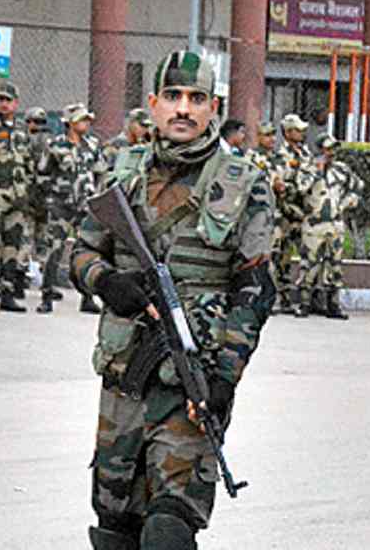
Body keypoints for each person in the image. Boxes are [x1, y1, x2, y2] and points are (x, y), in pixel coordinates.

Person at [71, 50, 275, 550]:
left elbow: (255, 290)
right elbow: (80, 252)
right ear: (153, 103)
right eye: (173, 97)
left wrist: (224, 377)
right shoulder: (123, 171)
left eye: (197, 98)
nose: (184, 108)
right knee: (114, 526)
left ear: (214, 107)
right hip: (124, 379)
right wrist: (105, 282)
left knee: (169, 526)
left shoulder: (243, 183)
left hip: (192, 381)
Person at [37, 104, 102, 314]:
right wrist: (51, 199)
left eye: (87, 119)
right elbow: (43, 174)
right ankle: (46, 296)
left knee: (87, 251)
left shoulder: (92, 145)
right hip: (61, 206)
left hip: (86, 206)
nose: (87, 123)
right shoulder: (56, 145)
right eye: (82, 119)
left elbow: (100, 171)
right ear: (70, 123)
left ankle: (87, 297)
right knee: (54, 250)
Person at [293, 133, 363, 318]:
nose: (331, 153)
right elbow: (301, 188)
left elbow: (357, 187)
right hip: (314, 224)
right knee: (309, 264)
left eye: (333, 149)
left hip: (335, 223)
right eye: (328, 149)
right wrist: (317, 170)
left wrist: (346, 203)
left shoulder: (342, 170)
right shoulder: (308, 168)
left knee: (335, 265)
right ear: (320, 150)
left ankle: (333, 304)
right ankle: (305, 303)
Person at [0, 81, 32, 313]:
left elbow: (28, 163)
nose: (4, 104)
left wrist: (27, 192)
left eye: (8, 100)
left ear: (16, 103)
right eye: (0, 99)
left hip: (17, 197)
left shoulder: (22, 131)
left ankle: (7, 292)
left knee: (13, 244)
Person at [270, 113, 312, 314]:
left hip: (303, 214)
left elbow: (311, 180)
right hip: (283, 214)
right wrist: (293, 188)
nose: (302, 133)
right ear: (287, 132)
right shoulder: (279, 156)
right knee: (280, 257)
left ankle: (305, 300)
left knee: (306, 256)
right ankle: (281, 298)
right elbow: (278, 185)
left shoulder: (306, 155)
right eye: (297, 129)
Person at [25, 107, 55, 276]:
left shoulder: (29, 141)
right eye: (34, 122)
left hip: (40, 195)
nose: (36, 126)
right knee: (33, 237)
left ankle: (38, 274)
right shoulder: (50, 141)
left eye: (39, 122)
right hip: (36, 195)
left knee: (37, 236)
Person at [101, 108, 153, 174]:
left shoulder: (146, 145)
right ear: (131, 124)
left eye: (147, 126)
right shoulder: (114, 145)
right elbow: (105, 173)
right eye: (142, 125)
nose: (145, 129)